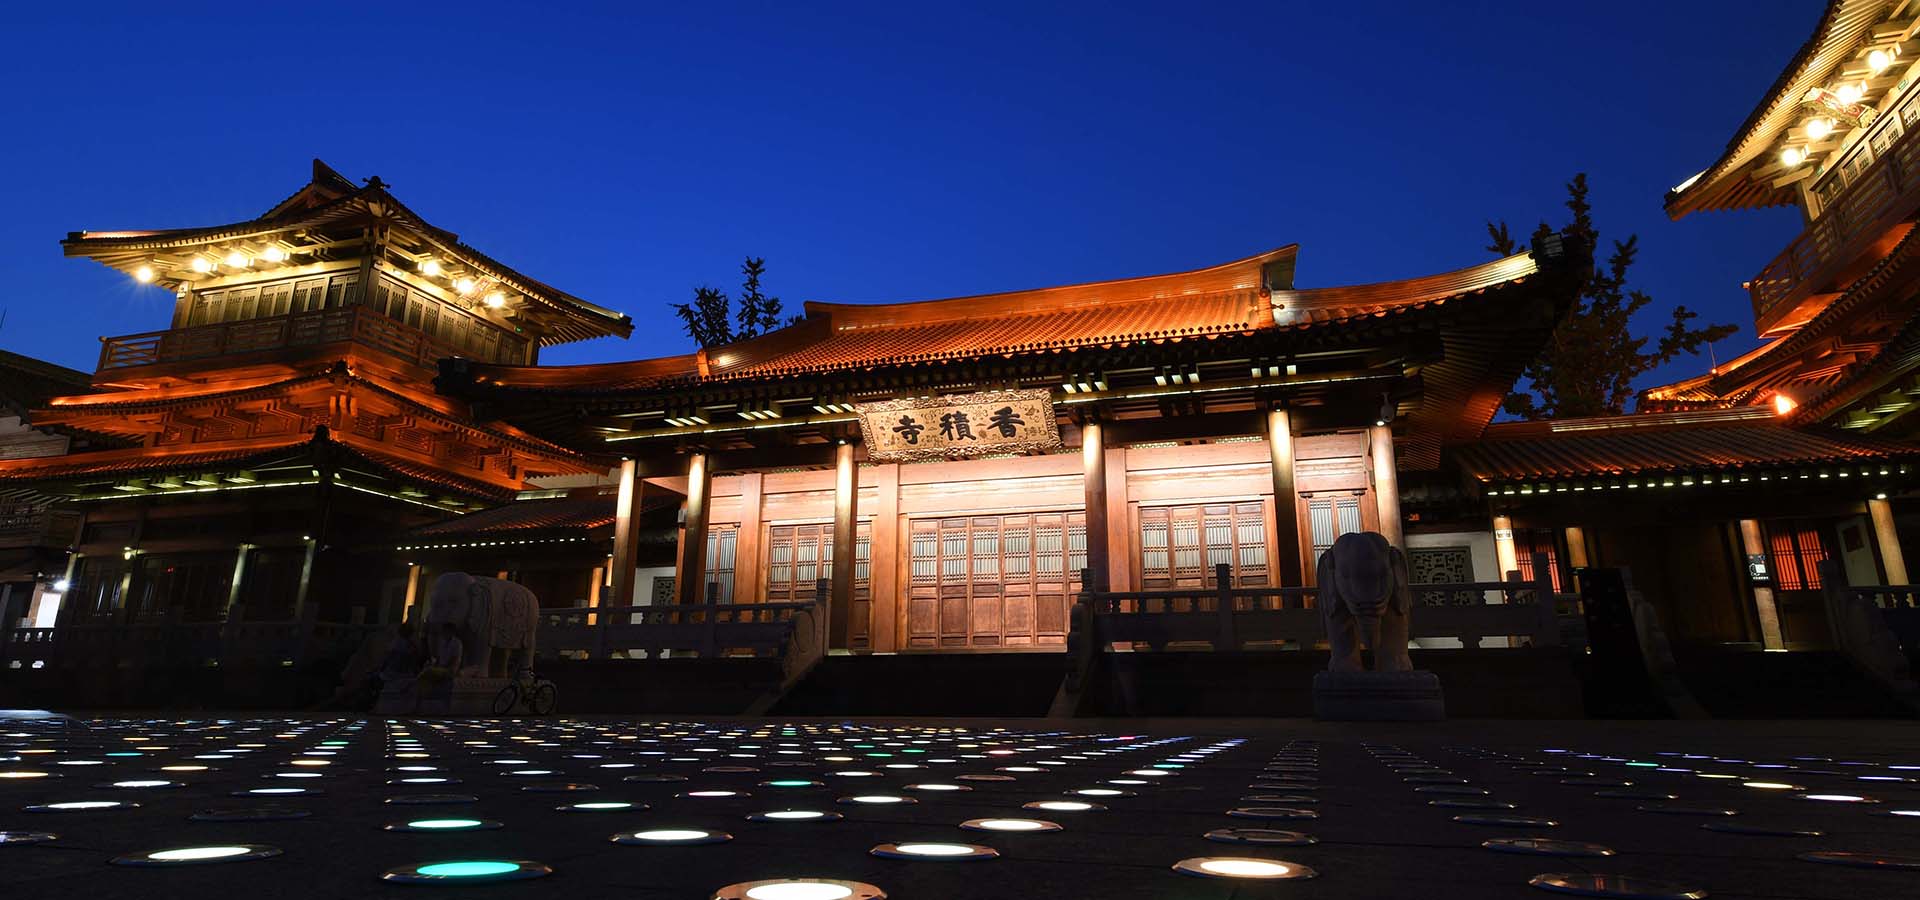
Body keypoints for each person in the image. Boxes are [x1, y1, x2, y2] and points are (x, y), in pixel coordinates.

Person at [413, 623, 464, 713]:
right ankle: (418, 705)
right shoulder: (442, 642)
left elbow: (455, 659)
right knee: (425, 678)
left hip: (449, 670)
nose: (443, 633)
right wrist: (435, 665)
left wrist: (444, 667)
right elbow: (439, 657)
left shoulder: (457, 643)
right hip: (440, 668)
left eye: (445, 631)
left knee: (427, 672)